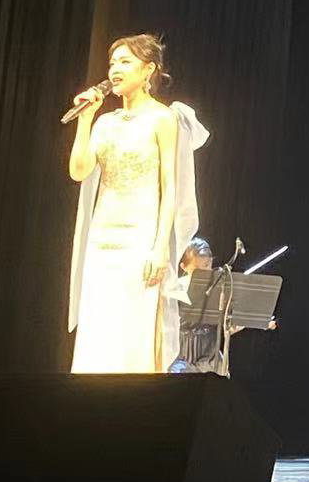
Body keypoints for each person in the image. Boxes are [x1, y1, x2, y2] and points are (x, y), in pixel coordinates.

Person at [67, 34, 206, 373]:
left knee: (132, 326)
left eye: (125, 62)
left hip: (140, 237)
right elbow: (79, 171)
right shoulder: (105, 122)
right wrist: (86, 119)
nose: (115, 69)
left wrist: (160, 248)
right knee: (100, 323)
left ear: (148, 70)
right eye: (112, 62)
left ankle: (130, 399)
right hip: (102, 237)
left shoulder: (162, 118)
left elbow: (170, 187)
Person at [169, 238, 221, 374]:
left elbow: (225, 327)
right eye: (198, 269)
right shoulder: (174, 290)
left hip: (209, 356)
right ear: (184, 267)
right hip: (180, 356)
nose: (205, 272)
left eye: (208, 265)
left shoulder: (219, 289)